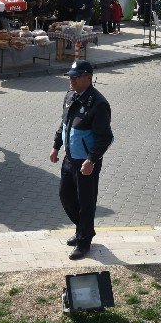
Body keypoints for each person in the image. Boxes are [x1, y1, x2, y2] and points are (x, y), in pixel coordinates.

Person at [49, 60, 113, 260]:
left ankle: (84, 241)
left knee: (86, 202)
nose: (71, 80)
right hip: (69, 159)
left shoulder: (98, 103)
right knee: (65, 196)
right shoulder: (70, 96)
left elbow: (106, 137)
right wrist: (56, 146)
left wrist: (91, 160)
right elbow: (64, 124)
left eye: (75, 77)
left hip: (86, 163)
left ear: (88, 77)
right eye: (70, 76)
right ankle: (83, 230)